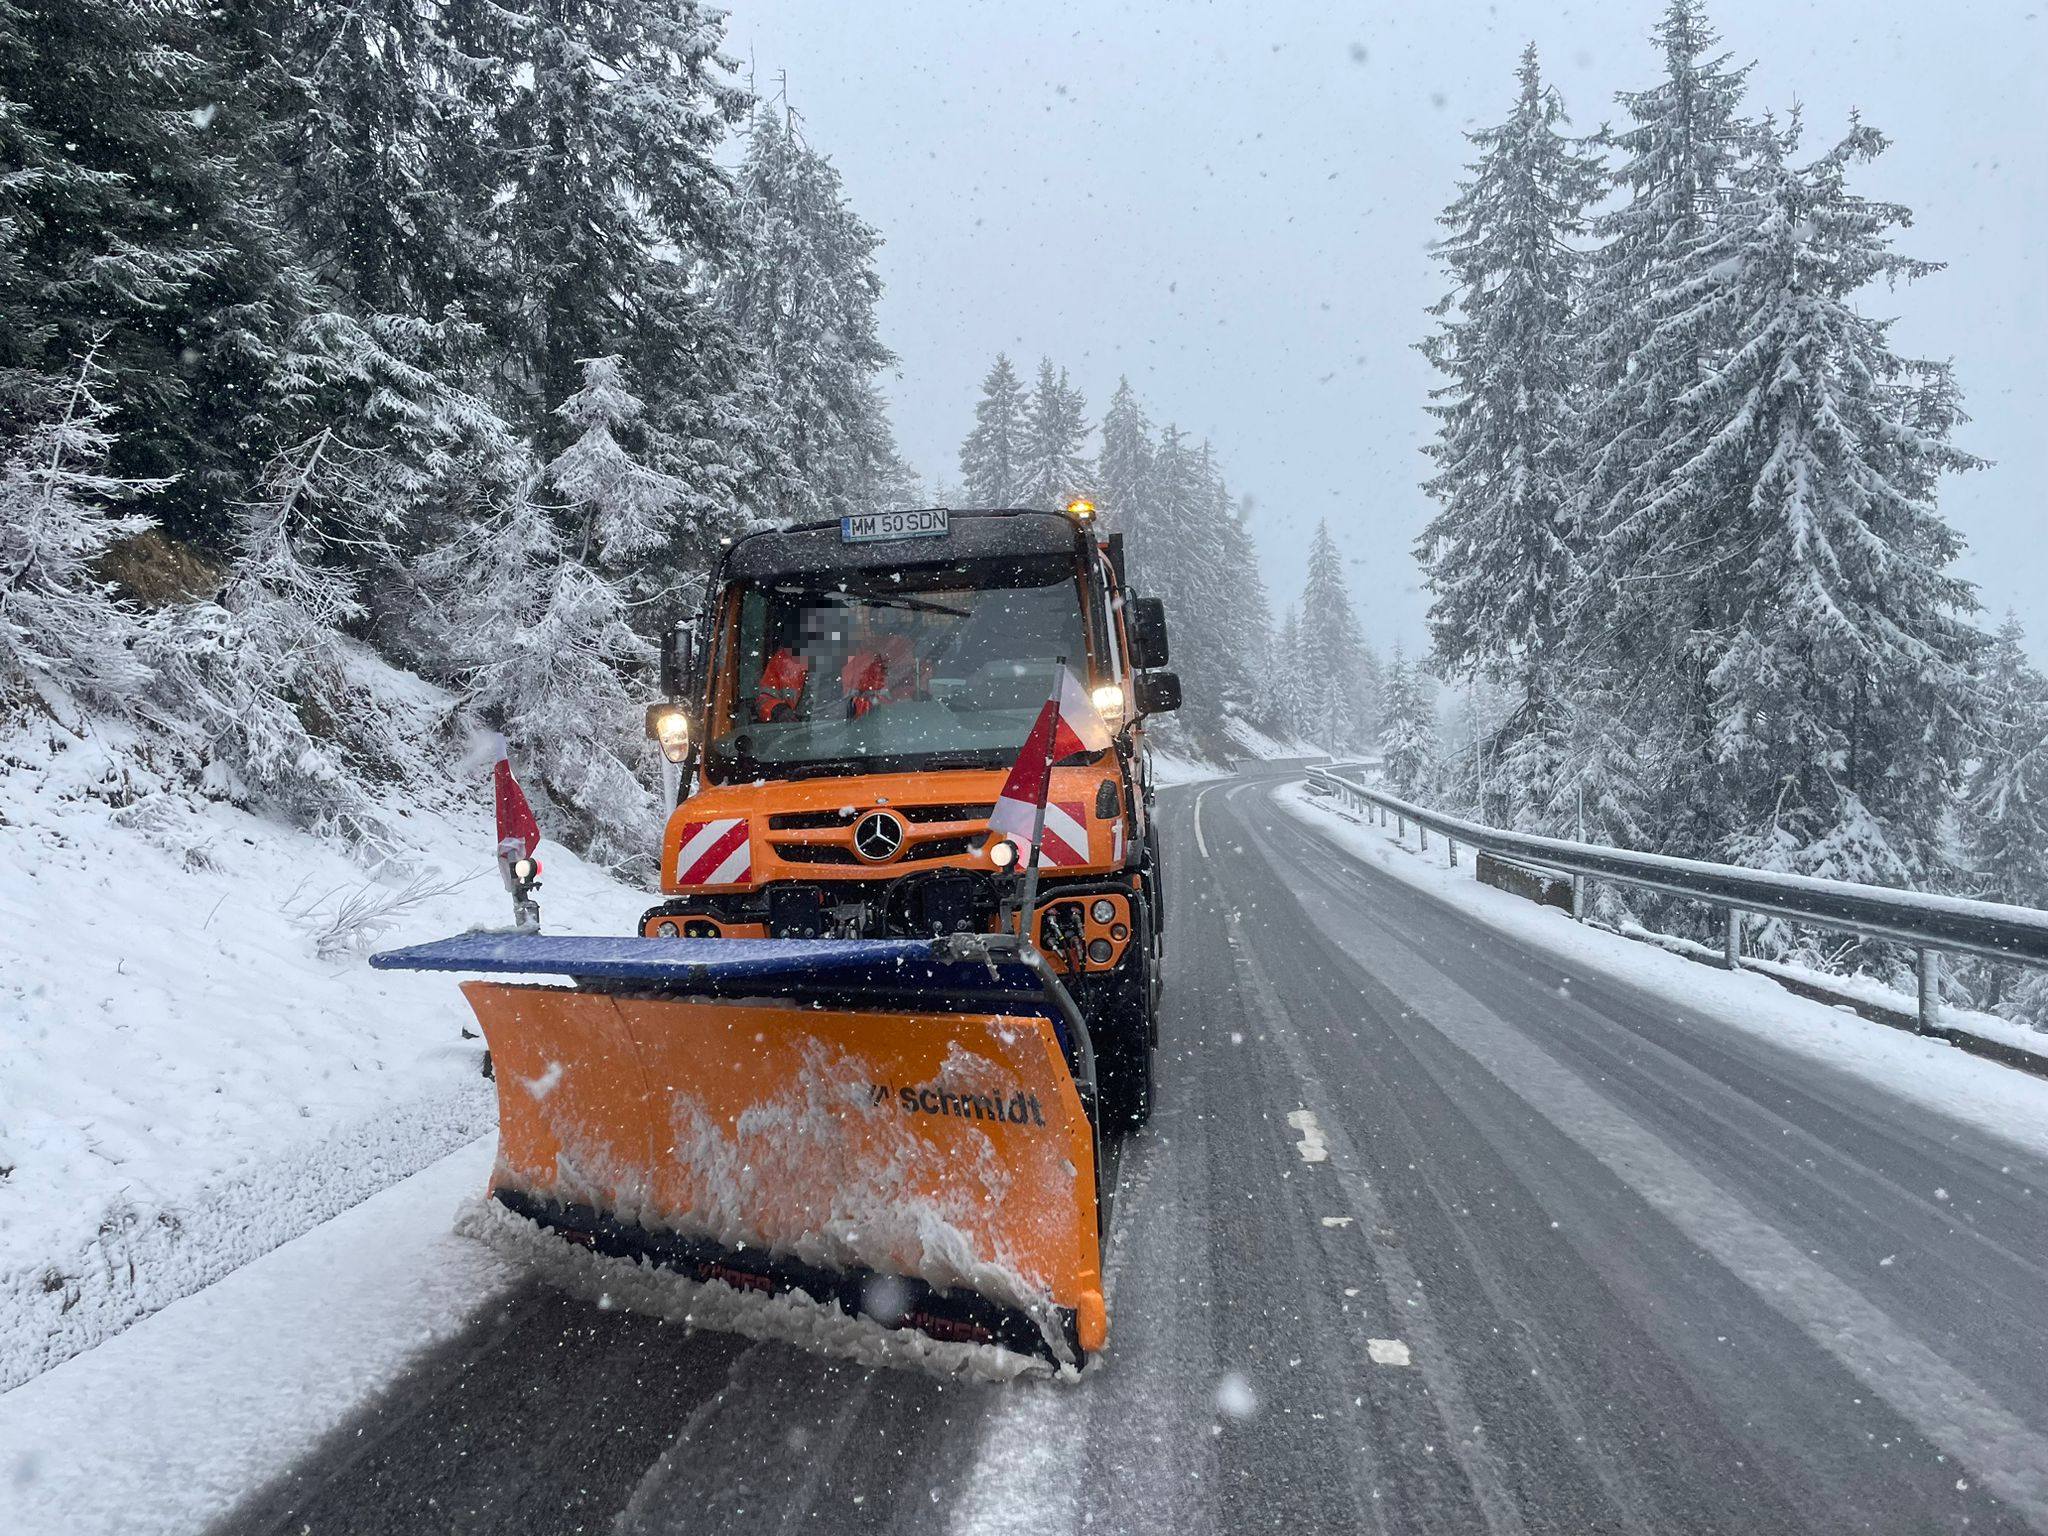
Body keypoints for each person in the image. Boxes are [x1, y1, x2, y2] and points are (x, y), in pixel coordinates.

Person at [755, 645, 808, 722]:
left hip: (827, 730)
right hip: (792, 730)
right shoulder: (784, 660)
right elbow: (763, 699)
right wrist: (777, 708)